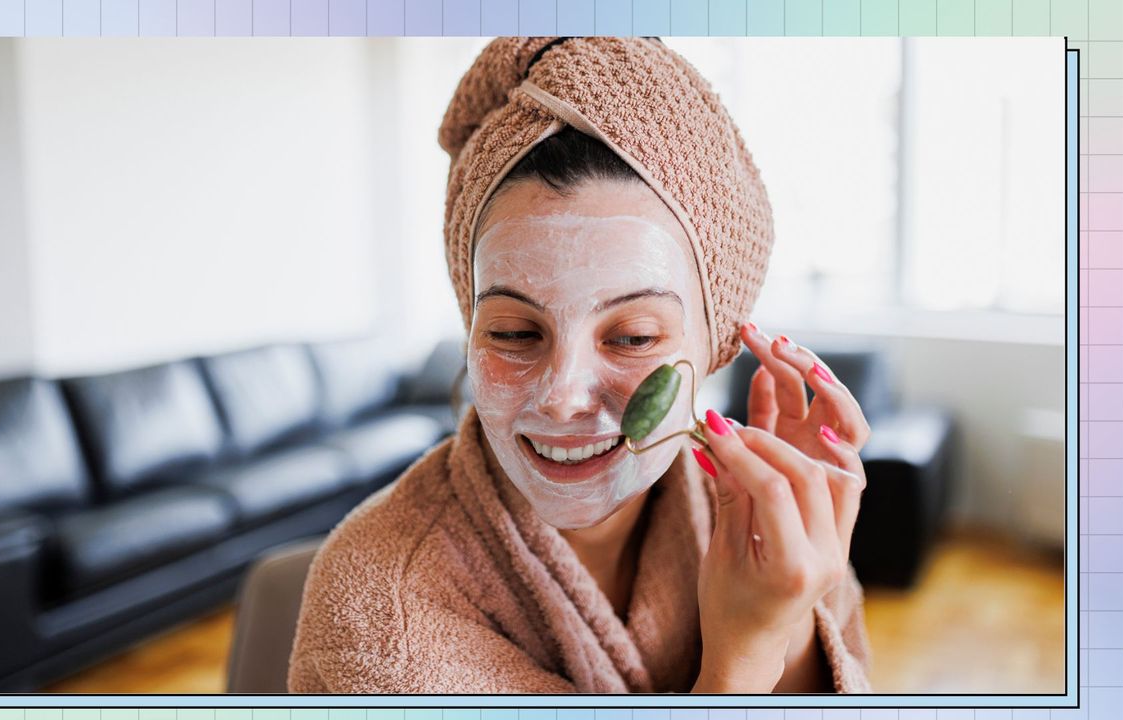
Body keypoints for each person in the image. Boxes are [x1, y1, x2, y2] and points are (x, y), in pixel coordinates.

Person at [288, 36, 873, 694]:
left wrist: (791, 616)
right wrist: (742, 663)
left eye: (631, 336)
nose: (562, 398)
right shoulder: (380, 614)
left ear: (717, 341)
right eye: (513, 332)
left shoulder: (759, 521)